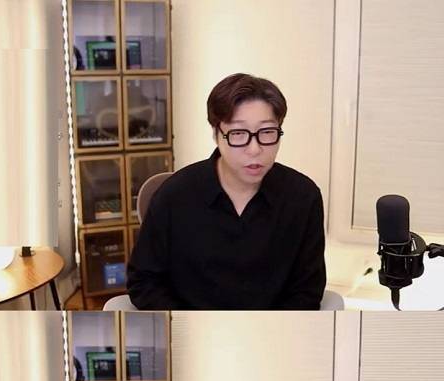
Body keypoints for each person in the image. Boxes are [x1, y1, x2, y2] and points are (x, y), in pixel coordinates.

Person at [127, 73, 326, 310]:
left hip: (274, 329)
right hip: (194, 327)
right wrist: (192, 324)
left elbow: (307, 290)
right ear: (216, 133)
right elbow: (144, 282)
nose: (255, 149)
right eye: (238, 134)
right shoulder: (175, 195)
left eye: (267, 132)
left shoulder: (303, 198)